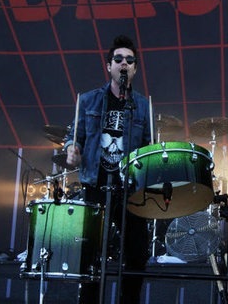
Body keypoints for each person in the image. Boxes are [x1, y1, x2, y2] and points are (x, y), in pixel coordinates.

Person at [63, 35, 152, 304]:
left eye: (129, 60)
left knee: (136, 253)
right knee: (91, 254)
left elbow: (149, 146)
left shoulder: (143, 105)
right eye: (118, 59)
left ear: (134, 68)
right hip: (96, 184)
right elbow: (73, 136)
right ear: (109, 66)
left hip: (130, 190)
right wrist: (71, 150)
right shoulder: (88, 101)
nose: (124, 64)